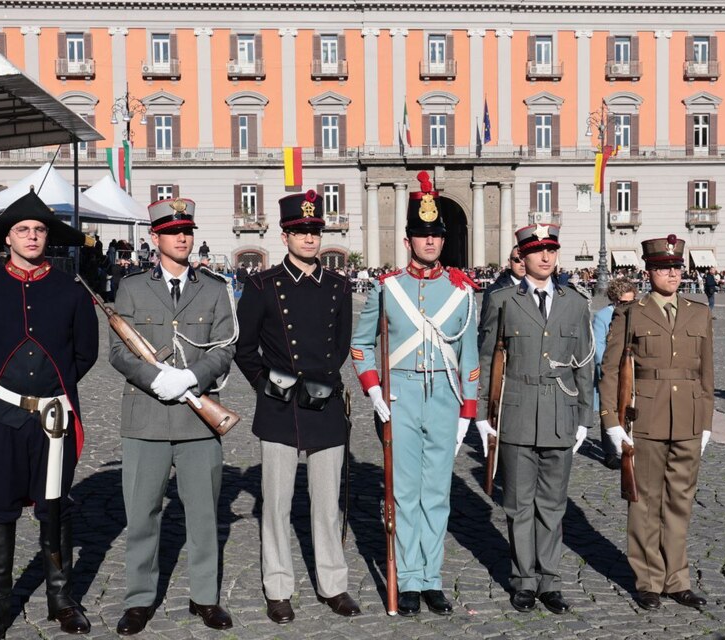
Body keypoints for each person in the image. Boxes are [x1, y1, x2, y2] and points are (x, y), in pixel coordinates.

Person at [0, 190, 99, 640]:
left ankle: (61, 599)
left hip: (53, 418)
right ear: (7, 239)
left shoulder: (71, 289)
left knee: (54, 508)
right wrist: (4, 391)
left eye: (39, 230)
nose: (32, 236)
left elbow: (84, 352)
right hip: (1, 417)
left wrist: (51, 388)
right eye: (23, 230)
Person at [351, 171, 479, 617]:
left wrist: (468, 408)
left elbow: (470, 353)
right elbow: (361, 343)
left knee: (437, 493)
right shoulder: (388, 289)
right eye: (422, 235)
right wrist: (373, 389)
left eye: (436, 236)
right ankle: (407, 578)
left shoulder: (462, 291)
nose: (430, 242)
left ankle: (431, 577)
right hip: (400, 397)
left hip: (444, 397)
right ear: (408, 240)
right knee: (404, 491)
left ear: (443, 241)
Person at [109, 197, 238, 635]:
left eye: (187, 230)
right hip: (145, 417)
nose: (182, 237)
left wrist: (192, 378)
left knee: (203, 514)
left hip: (198, 420)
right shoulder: (131, 288)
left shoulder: (216, 287)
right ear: (155, 238)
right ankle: (140, 599)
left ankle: (205, 597)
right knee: (142, 514)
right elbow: (119, 352)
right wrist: (155, 379)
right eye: (171, 232)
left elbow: (225, 348)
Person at [235, 189, 360, 624]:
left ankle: (333, 584)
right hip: (279, 407)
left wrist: (321, 385)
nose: (309, 238)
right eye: (300, 231)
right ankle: (279, 586)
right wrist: (267, 387)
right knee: (276, 504)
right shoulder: (262, 285)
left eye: (314, 230)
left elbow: (341, 344)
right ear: (285, 235)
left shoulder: (339, 286)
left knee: (327, 505)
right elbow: (244, 348)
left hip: (323, 405)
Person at [476, 223, 593, 615]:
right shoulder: (503, 300)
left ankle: (550, 581)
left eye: (551, 250)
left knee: (553, 505)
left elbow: (585, 366)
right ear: (521, 257)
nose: (545, 257)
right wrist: (483, 413)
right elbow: (485, 357)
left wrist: (583, 418)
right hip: (517, 412)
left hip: (561, 412)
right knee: (518, 503)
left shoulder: (575, 303)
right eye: (537, 251)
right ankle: (523, 580)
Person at [599, 234, 713, 612]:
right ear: (649, 271)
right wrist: (612, 422)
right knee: (644, 501)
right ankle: (648, 580)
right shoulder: (631, 313)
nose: (672, 274)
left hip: (689, 418)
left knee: (680, 503)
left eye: (677, 267)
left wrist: (707, 420)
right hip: (644, 417)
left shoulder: (699, 312)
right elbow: (612, 370)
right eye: (664, 268)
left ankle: (677, 579)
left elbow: (706, 372)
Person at [592, 277, 638, 469]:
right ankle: (610, 450)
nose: (628, 305)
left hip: (631, 370)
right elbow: (598, 347)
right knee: (609, 408)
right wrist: (611, 366)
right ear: (615, 300)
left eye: (632, 301)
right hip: (611, 369)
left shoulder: (638, 314)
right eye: (624, 302)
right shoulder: (603, 316)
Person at [478, 244, 526, 344]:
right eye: (517, 260)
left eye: (525, 259)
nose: (522, 264)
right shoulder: (494, 291)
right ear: (509, 262)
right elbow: (485, 328)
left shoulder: (540, 289)